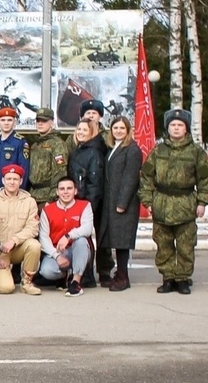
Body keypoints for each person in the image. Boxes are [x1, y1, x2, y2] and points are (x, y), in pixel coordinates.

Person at [141, 108, 208, 295]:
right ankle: (168, 277)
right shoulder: (158, 151)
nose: (176, 128)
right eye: (173, 125)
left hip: (185, 203)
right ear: (167, 127)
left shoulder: (196, 152)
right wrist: (148, 201)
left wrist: (202, 202)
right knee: (163, 243)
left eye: (180, 125)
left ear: (186, 128)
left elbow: (205, 178)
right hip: (162, 203)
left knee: (185, 245)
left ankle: (182, 278)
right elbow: (146, 176)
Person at [100, 115, 142, 292]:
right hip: (110, 201)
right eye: (115, 128)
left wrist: (122, 202)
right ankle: (119, 274)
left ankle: (123, 276)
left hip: (123, 202)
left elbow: (130, 178)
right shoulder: (111, 148)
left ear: (128, 131)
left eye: (122, 128)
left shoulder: (132, 150)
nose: (118, 131)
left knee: (122, 240)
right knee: (115, 239)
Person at [0, 163, 42, 295]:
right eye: (9, 179)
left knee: (34, 245)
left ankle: (27, 282)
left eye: (15, 179)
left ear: (21, 181)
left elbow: (33, 228)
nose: (12, 182)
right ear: (3, 180)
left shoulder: (29, 202)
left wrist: (14, 240)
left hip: (18, 247)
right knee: (6, 289)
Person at [38, 176, 95, 295]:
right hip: (57, 252)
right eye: (62, 189)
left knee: (81, 241)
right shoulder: (48, 210)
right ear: (57, 192)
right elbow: (43, 237)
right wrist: (56, 255)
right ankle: (64, 276)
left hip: (78, 250)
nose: (65, 192)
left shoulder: (85, 206)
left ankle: (75, 282)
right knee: (46, 271)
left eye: (69, 188)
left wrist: (68, 236)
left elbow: (87, 229)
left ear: (75, 191)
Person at [69, 118, 107, 287]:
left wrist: (89, 207)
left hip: (86, 202)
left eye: (85, 130)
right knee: (79, 238)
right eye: (79, 129)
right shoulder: (80, 150)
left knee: (84, 239)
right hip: (77, 200)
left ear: (92, 132)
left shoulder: (94, 153)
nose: (81, 133)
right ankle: (81, 272)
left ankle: (87, 276)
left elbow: (94, 182)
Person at [27, 106, 68, 207]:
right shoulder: (35, 145)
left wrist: (52, 198)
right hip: (33, 196)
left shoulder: (57, 144)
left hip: (47, 197)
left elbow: (60, 172)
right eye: (38, 120)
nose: (40, 123)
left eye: (44, 121)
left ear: (51, 123)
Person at [0, 106, 31, 196]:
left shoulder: (20, 142)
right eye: (3, 120)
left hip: (12, 191)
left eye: (9, 120)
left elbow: (24, 169)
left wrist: (20, 192)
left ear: (14, 122)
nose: (6, 123)